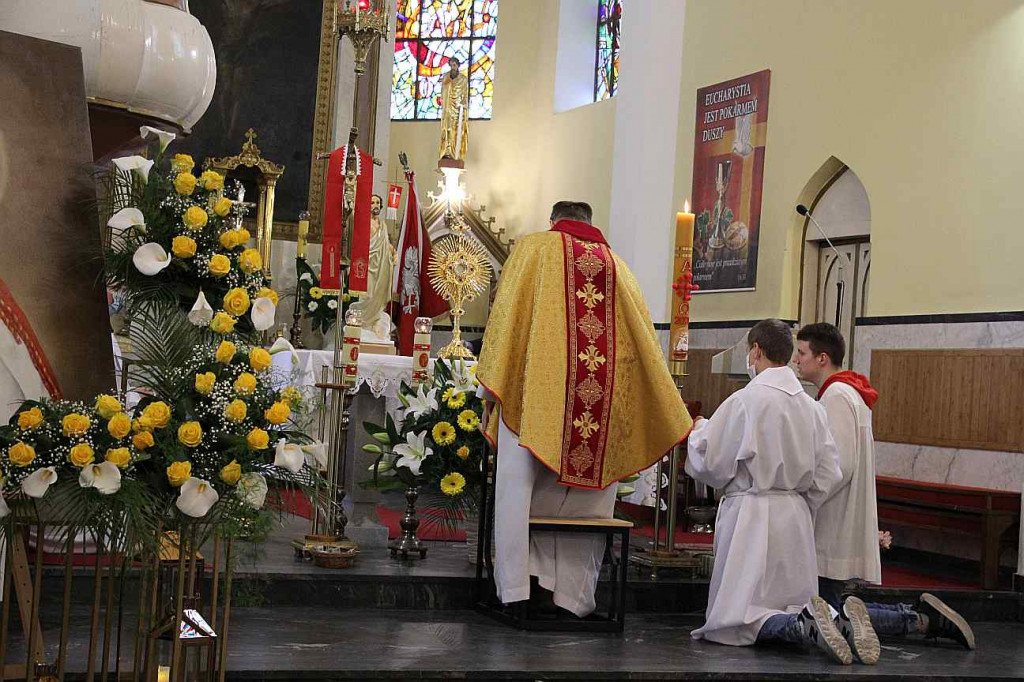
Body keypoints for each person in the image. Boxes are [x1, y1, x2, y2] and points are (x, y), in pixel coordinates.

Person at [476, 201, 691, 618]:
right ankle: (572, 598)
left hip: (534, 398)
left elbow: (505, 321)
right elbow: (641, 344)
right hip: (600, 406)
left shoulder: (533, 249)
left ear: (553, 221)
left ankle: (516, 590)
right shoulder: (619, 268)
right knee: (588, 503)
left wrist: (490, 391)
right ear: (590, 224)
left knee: (518, 493)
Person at [685, 319, 867, 665]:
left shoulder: (745, 401)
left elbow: (713, 460)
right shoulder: (811, 407)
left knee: (736, 619)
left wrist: (699, 430)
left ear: (755, 351)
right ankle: (832, 621)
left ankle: (806, 625)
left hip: (751, 515)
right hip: (795, 515)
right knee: (790, 600)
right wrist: (802, 503)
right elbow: (829, 471)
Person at [794, 322, 975, 653]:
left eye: (802, 353)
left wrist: (805, 499)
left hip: (832, 517)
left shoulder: (836, 396)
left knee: (829, 612)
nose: (796, 360)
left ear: (822, 358)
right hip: (840, 513)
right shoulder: (847, 392)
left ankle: (919, 620)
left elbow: (840, 465)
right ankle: (919, 617)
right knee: (830, 606)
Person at [438, 57, 470, 162]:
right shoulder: (446, 77)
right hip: (448, 109)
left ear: (458, 65)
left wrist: (463, 108)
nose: (453, 67)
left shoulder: (463, 79)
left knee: (455, 131)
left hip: (457, 111)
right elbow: (444, 92)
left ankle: (455, 153)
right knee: (447, 130)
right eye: (451, 65)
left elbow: (465, 96)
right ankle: (446, 152)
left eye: (454, 65)